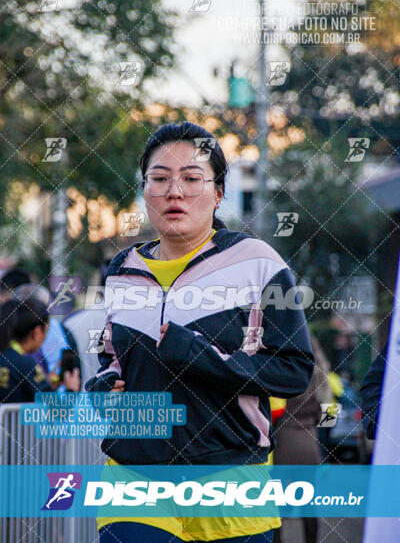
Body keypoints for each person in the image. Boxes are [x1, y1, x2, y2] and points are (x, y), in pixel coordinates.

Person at [86, 121, 315, 543]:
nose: (175, 192)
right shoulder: (122, 270)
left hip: (229, 483)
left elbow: (294, 369)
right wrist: (101, 387)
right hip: (135, 476)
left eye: (192, 179)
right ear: (146, 191)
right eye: (159, 179)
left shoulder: (258, 263)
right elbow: (110, 357)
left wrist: (198, 356)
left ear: (218, 192)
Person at [272, 336, 331, 543]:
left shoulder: (281, 372)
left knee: (277, 505)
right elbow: (329, 417)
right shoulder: (320, 376)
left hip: (282, 446)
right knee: (309, 505)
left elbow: (271, 410)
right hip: (309, 446)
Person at [0, 298, 80, 402]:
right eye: (46, 331)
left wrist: (46, 384)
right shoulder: (26, 365)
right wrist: (71, 389)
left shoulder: (5, 356)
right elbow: (59, 412)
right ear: (37, 332)